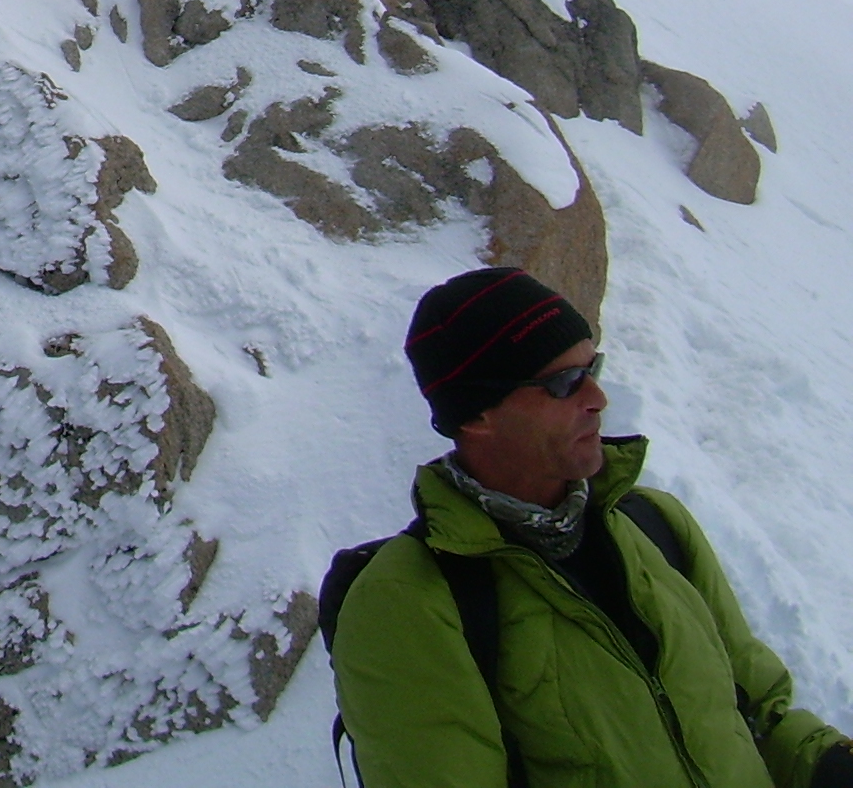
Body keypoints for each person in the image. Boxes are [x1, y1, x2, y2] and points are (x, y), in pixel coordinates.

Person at [330, 266, 852, 788]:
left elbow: (758, 714)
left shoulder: (655, 523)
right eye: (563, 383)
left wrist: (829, 764)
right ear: (476, 415)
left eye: (592, 367)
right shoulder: (406, 601)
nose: (597, 398)